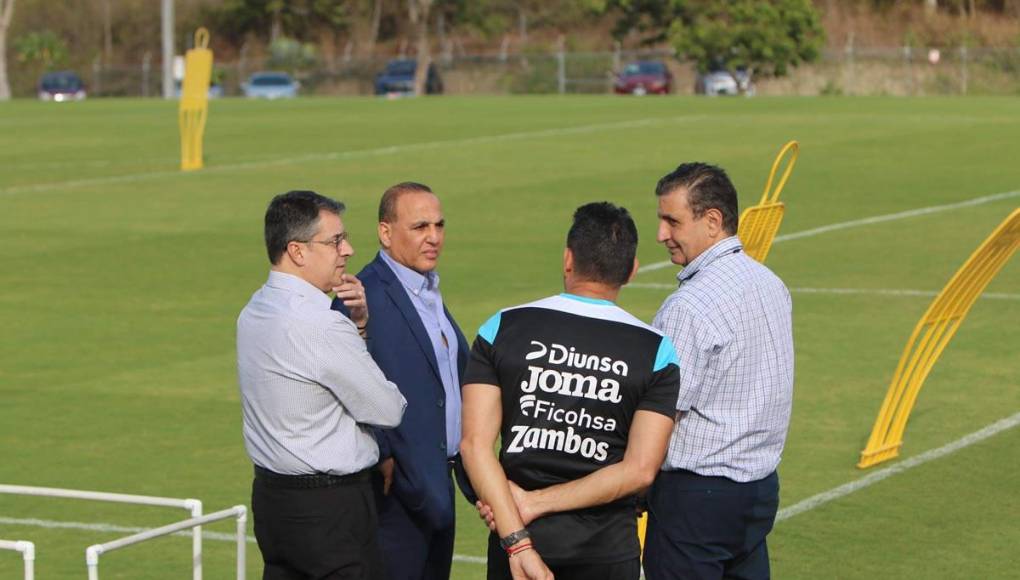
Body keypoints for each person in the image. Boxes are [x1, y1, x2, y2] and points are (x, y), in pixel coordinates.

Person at [460, 202, 681, 580]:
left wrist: (518, 537)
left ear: (567, 259)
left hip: (516, 544)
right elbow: (640, 470)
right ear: (631, 271)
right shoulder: (656, 351)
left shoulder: (502, 327)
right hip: (606, 551)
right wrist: (534, 504)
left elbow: (474, 446)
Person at [237, 190, 407, 580]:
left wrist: (356, 325)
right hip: (330, 509)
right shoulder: (321, 323)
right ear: (297, 251)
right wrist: (357, 328)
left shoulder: (254, 310)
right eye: (334, 241)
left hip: (273, 501)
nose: (347, 250)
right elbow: (387, 408)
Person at [644, 163, 795, 580]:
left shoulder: (688, 307)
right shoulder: (771, 284)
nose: (661, 234)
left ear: (712, 221)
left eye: (672, 220)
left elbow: (659, 418)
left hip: (696, 500)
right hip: (759, 491)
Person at [332, 182, 469, 580]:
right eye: (420, 226)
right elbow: (345, 377)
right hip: (394, 489)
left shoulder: (428, 290)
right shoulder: (363, 293)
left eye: (439, 225)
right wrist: (384, 449)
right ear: (386, 233)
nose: (434, 237)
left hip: (436, 481)